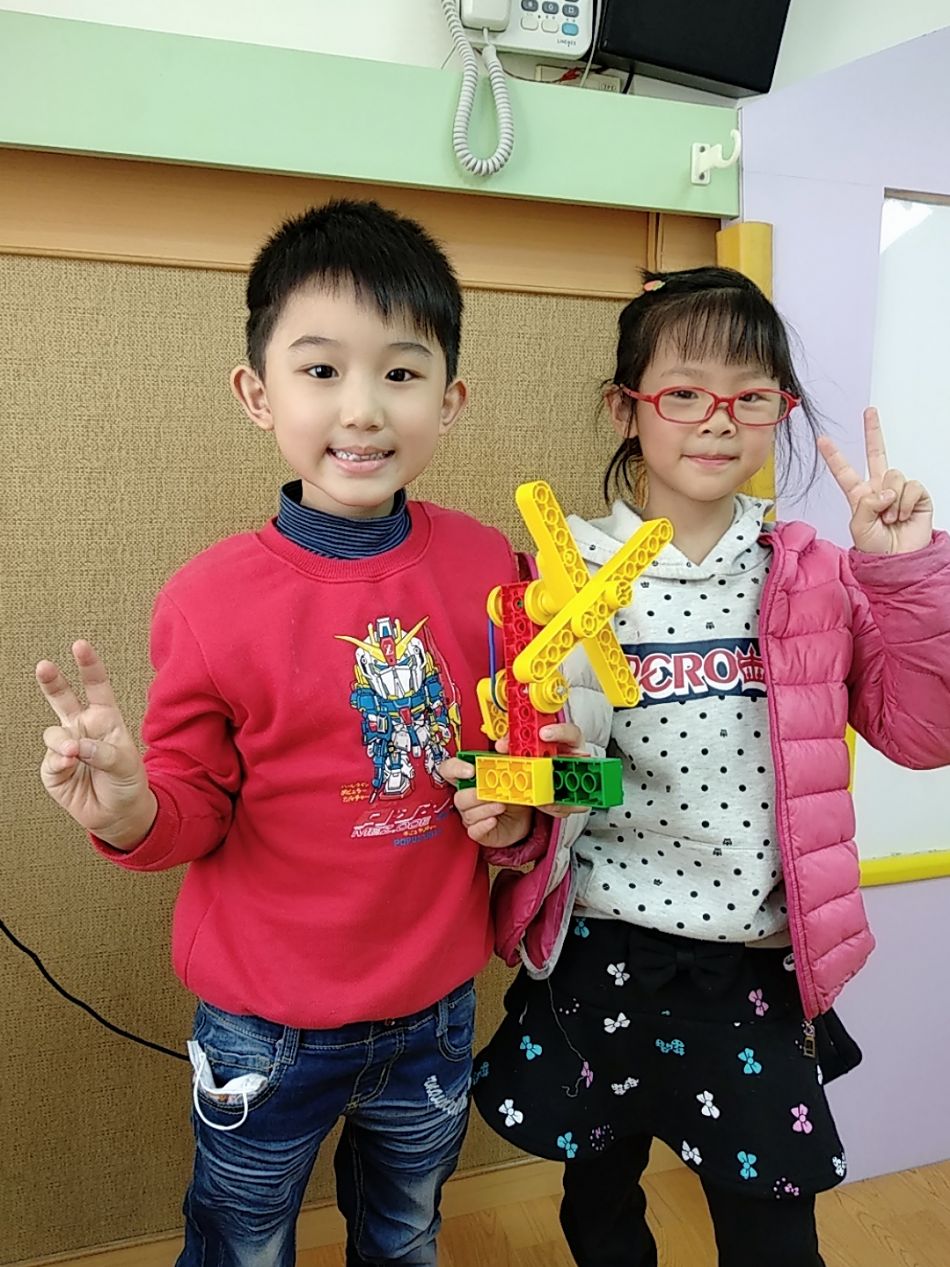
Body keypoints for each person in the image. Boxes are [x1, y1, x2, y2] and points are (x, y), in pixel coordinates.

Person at [34, 199, 578, 1267]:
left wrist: (521, 814)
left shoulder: (491, 568)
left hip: (435, 1005)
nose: (362, 408)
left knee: (406, 1230)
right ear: (258, 393)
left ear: (449, 399)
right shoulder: (209, 598)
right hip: (262, 1025)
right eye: (321, 369)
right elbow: (188, 811)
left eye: (401, 372)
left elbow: (528, 769)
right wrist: (131, 807)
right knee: (241, 1242)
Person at [456, 267, 950, 1267]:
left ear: (779, 411)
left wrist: (899, 570)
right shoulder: (556, 575)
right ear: (625, 408)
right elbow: (560, 792)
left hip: (752, 963)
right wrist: (521, 805)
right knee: (599, 1204)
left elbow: (921, 736)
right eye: (683, 391)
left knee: (774, 1234)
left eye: (750, 394)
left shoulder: (812, 574)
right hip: (599, 951)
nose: (718, 419)